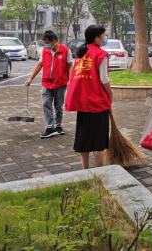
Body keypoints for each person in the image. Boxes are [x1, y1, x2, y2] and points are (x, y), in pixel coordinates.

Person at [65, 25, 113, 170]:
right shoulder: (101, 54)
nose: (105, 38)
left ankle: (85, 171)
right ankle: (100, 171)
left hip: (82, 102)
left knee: (84, 139)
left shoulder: (81, 53)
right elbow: (104, 79)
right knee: (98, 141)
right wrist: (110, 95)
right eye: (103, 35)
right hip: (98, 103)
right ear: (97, 38)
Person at [25, 30, 73, 138]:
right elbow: (39, 65)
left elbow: (70, 66)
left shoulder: (66, 51)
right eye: (44, 43)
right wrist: (30, 79)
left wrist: (70, 80)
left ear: (54, 41)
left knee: (58, 106)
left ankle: (58, 126)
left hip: (60, 83)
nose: (46, 45)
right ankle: (49, 128)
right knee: (46, 104)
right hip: (46, 82)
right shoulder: (45, 51)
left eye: (47, 43)